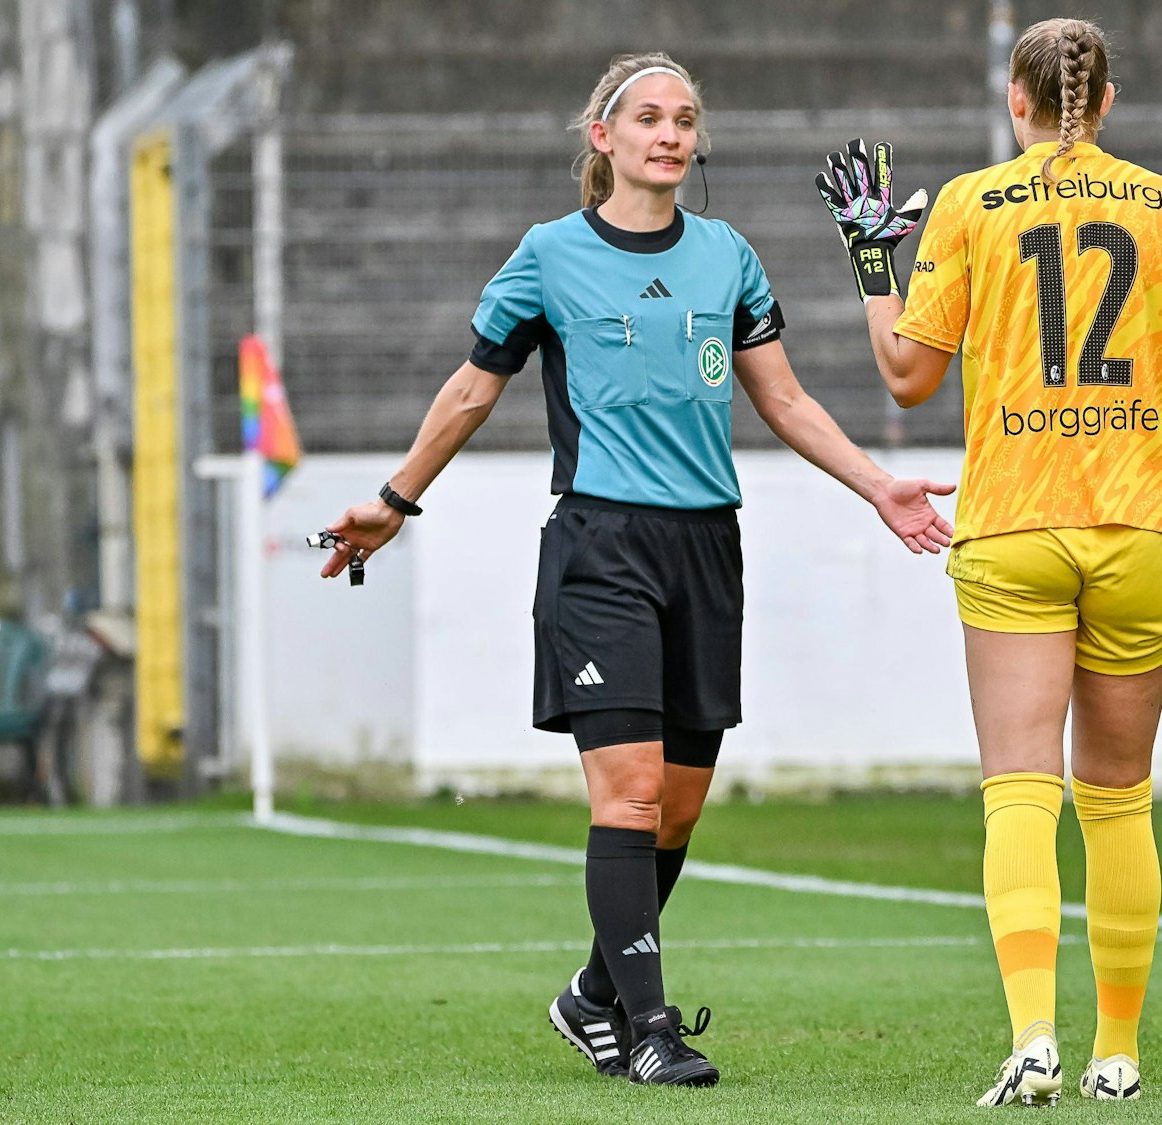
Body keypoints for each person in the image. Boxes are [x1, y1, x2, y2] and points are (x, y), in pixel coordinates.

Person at [318, 52, 955, 1089]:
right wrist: (393, 505)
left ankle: (591, 996)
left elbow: (783, 401)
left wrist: (877, 486)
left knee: (679, 810)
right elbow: (471, 394)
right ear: (602, 138)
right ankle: (651, 1027)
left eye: (684, 118)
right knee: (629, 794)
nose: (669, 133)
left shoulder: (727, 257)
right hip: (601, 549)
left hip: (706, 547)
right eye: (647, 117)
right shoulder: (547, 256)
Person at [814, 17, 1162, 1107]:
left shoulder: (969, 204)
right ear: (1107, 102)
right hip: (1133, 526)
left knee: (1018, 794)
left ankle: (1033, 1041)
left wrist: (869, 258)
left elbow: (905, 378)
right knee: (1117, 798)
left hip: (1016, 528)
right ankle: (1115, 1057)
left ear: (1012, 103)